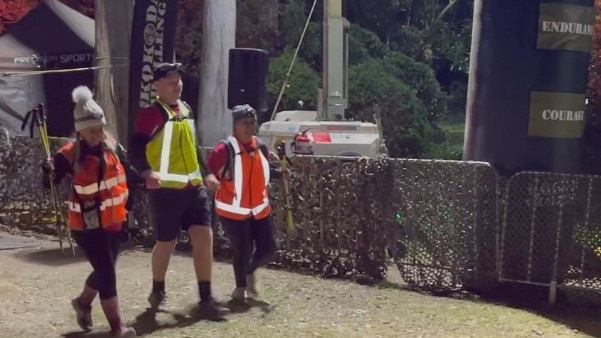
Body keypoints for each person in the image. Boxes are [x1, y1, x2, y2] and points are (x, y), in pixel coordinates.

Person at [129, 62, 228, 318]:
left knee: (204, 236)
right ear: (158, 85)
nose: (177, 85)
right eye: (171, 81)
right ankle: (157, 288)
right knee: (167, 242)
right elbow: (136, 149)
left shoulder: (186, 109)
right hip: (166, 191)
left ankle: (206, 299)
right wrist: (147, 172)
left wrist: (207, 174)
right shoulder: (150, 114)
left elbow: (194, 148)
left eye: (179, 80)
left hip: (193, 189)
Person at [41, 86, 141, 338]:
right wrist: (48, 171)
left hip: (115, 221)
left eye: (99, 128)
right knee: (107, 273)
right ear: (80, 131)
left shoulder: (113, 148)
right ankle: (117, 328)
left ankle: (83, 303)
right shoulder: (68, 155)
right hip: (87, 226)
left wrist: (145, 180)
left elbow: (130, 175)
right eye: (91, 130)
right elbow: (50, 183)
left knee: (104, 270)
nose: (97, 134)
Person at [207, 104, 284, 302]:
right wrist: (210, 180)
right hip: (232, 211)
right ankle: (240, 287)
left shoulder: (261, 147)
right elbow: (208, 172)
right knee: (243, 249)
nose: (249, 127)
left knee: (268, 248)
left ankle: (249, 272)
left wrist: (278, 173)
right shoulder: (223, 150)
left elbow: (262, 172)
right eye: (244, 123)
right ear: (235, 125)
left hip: (259, 208)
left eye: (252, 123)